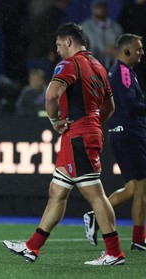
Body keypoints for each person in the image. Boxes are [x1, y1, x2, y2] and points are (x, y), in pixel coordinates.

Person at [3, 22, 125, 266]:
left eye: (59, 45)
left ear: (68, 42)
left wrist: (54, 120)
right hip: (84, 134)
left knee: (96, 195)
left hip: (78, 135)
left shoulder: (70, 64)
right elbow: (110, 106)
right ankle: (32, 248)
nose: (58, 50)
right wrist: (92, 122)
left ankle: (114, 252)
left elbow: (51, 95)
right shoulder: (99, 66)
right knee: (57, 192)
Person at [83, 34, 146, 251]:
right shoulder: (124, 73)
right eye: (138, 49)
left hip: (124, 134)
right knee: (139, 189)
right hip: (129, 135)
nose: (141, 52)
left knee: (135, 189)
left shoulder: (118, 72)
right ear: (126, 51)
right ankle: (98, 216)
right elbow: (130, 106)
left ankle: (138, 239)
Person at [80, 0, 122, 70]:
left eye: (103, 6)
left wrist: (115, 52)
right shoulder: (84, 27)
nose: (101, 9)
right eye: (98, 7)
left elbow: (123, 50)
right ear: (92, 8)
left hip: (112, 68)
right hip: (92, 69)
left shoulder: (116, 27)